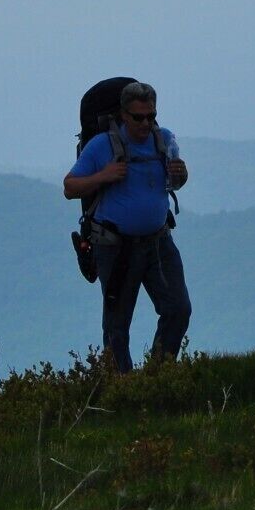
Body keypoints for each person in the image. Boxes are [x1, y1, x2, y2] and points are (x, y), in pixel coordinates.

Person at [63, 80, 191, 371]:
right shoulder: (101, 146)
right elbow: (70, 187)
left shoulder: (165, 140)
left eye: (151, 116)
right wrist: (103, 176)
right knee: (117, 326)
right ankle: (121, 387)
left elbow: (176, 183)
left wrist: (182, 174)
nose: (146, 123)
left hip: (159, 242)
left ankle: (157, 375)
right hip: (115, 247)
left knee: (178, 309)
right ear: (123, 115)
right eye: (139, 117)